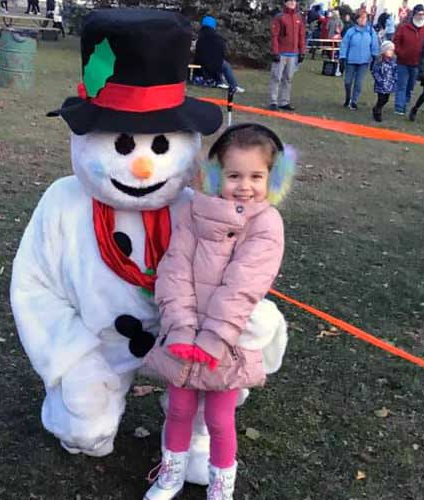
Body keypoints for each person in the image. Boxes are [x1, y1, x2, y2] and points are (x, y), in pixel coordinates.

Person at [143, 123, 295, 500]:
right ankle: (170, 474)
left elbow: (243, 285)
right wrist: (180, 328)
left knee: (219, 418)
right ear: (215, 176)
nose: (245, 185)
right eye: (234, 175)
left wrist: (212, 338)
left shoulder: (266, 224)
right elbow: (174, 268)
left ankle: (220, 485)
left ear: (272, 178)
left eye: (256, 176)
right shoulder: (195, 213)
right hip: (184, 335)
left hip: (228, 341)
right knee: (178, 409)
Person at [393, 4, 424, 114]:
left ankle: (405, 103)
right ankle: (399, 107)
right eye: (419, 14)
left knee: (410, 87)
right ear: (414, 14)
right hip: (403, 62)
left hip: (417, 64)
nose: (421, 16)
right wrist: (400, 53)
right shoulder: (404, 27)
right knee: (401, 85)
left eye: (423, 14)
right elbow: (396, 41)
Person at [269, 0, 306, 111]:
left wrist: (302, 51)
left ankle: (284, 101)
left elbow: (301, 35)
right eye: (290, 1)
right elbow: (274, 36)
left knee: (288, 78)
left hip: (293, 54)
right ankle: (273, 101)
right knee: (276, 77)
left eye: (294, 1)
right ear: (285, 3)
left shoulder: (299, 17)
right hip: (281, 53)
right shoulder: (280, 17)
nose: (292, 2)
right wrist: (275, 52)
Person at [339, 11, 380, 109]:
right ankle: (348, 98)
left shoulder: (371, 31)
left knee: (359, 83)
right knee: (348, 82)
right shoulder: (351, 31)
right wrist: (342, 57)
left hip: (364, 62)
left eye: (365, 18)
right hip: (351, 60)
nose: (363, 20)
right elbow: (344, 45)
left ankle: (354, 101)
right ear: (357, 19)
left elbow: (374, 44)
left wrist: (375, 56)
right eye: (361, 18)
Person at [194, 16, 245, 93]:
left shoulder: (200, 36)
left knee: (219, 63)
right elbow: (222, 51)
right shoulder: (218, 38)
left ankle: (219, 81)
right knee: (225, 65)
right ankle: (234, 86)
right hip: (214, 62)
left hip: (201, 61)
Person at [372, 40, 398, 121]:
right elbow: (375, 71)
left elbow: (395, 70)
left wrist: (395, 79)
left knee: (386, 99)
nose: (391, 52)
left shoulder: (393, 60)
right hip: (381, 84)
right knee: (381, 98)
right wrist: (380, 80)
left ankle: (377, 108)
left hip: (389, 83)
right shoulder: (379, 61)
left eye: (392, 50)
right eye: (389, 50)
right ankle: (378, 111)